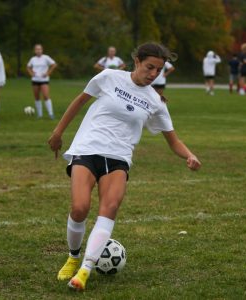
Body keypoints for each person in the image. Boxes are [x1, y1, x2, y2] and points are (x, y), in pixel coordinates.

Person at [48, 42, 201, 291]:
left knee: (109, 207)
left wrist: (189, 155)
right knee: (79, 208)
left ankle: (85, 271)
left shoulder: (156, 101)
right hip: (87, 148)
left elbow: (173, 140)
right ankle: (73, 256)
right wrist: (58, 132)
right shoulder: (109, 77)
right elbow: (80, 101)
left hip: (119, 158)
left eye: (159, 70)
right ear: (137, 61)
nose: (153, 74)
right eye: (149, 67)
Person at [27, 44, 57, 119]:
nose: (38, 50)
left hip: (44, 80)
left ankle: (51, 114)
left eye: (40, 49)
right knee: (37, 97)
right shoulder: (33, 59)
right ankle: (39, 115)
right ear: (34, 51)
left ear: (42, 50)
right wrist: (31, 74)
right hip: (35, 80)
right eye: (37, 49)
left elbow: (54, 64)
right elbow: (28, 67)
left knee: (46, 96)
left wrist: (47, 73)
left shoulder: (46, 57)